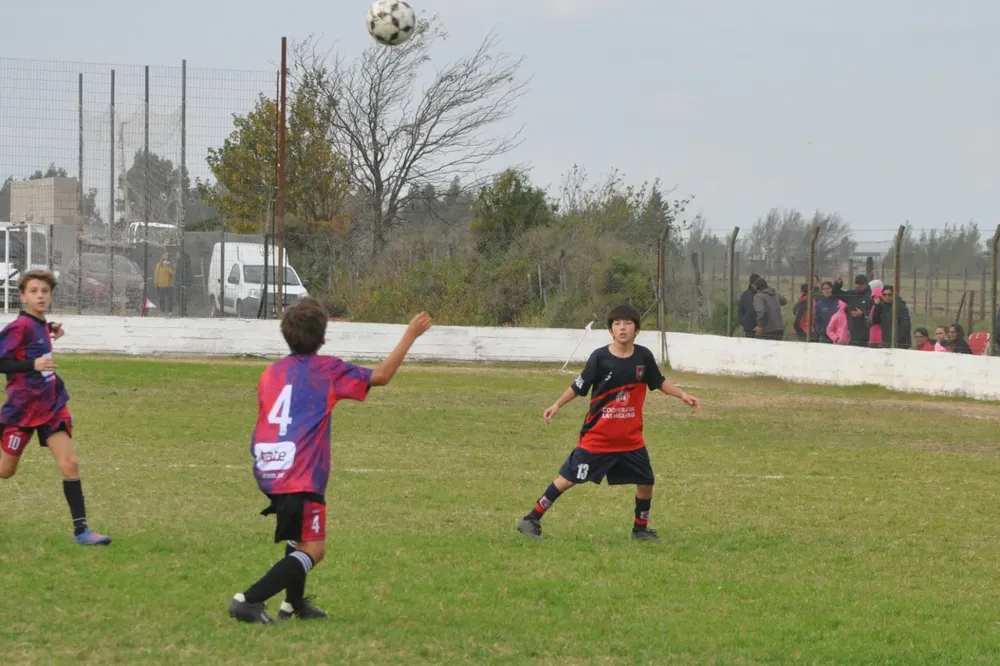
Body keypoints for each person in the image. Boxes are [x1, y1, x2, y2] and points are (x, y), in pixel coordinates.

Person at [228, 298, 432, 624]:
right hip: (301, 472)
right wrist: (410, 335)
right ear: (323, 338)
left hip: (269, 466)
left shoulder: (271, 373)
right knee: (314, 550)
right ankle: (247, 600)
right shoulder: (327, 371)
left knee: (299, 537)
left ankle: (293, 605)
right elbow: (380, 376)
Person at [516, 304, 699, 545]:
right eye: (617, 324)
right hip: (598, 437)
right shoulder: (600, 358)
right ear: (611, 330)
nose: (622, 328)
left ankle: (640, 530)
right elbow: (578, 386)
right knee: (568, 478)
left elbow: (659, 381)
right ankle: (531, 518)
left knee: (646, 481)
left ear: (636, 329)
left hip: (630, 439)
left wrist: (682, 395)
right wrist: (557, 405)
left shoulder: (643, 357)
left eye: (628, 323)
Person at [0, 269, 112, 545]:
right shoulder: (18, 327)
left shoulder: (39, 323)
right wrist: (32, 365)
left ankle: (82, 531)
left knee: (70, 463)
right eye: (34, 291)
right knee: (5, 471)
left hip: (51, 406)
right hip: (21, 411)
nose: (40, 296)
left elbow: (37, 337)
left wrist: (50, 329)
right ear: (23, 296)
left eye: (45, 291)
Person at [832, 274, 872, 347]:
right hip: (853, 335)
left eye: (861, 283)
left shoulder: (870, 295)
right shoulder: (851, 294)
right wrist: (838, 283)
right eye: (857, 283)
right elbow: (835, 293)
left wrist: (863, 313)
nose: (858, 285)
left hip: (867, 336)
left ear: (866, 284)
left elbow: (874, 310)